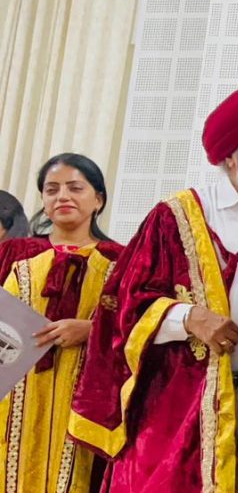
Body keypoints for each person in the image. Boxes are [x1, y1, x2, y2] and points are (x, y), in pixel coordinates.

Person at [69, 83, 238, 492]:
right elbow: (124, 302)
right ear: (229, 155)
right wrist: (190, 317)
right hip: (185, 400)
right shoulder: (176, 216)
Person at [0, 153, 123, 493]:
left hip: (85, 398)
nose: (62, 197)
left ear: (98, 200)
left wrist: (92, 330)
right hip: (14, 392)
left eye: (75, 188)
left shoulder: (122, 260)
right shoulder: (15, 253)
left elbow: (139, 324)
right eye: (52, 189)